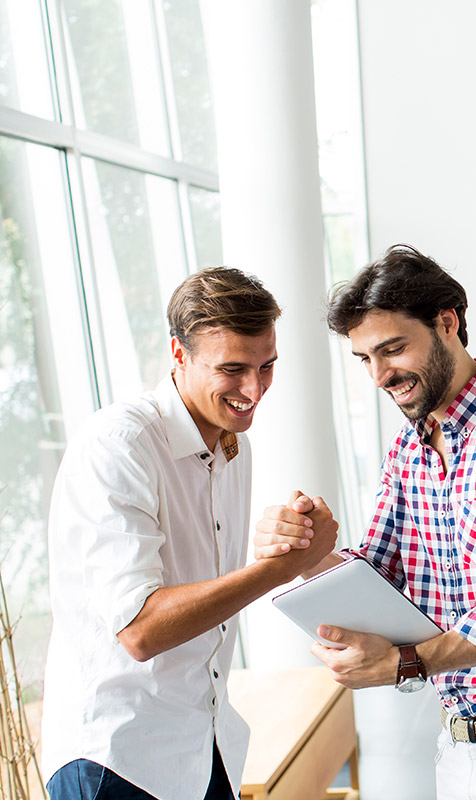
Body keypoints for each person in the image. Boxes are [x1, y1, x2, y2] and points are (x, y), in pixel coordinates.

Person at [254, 244, 476, 798]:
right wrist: (305, 554)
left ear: (447, 323)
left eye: (393, 349)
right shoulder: (409, 448)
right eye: (365, 359)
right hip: (458, 744)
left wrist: (409, 662)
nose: (380, 375)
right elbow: (377, 575)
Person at [41, 267, 339, 800]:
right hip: (117, 761)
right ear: (178, 353)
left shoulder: (234, 446)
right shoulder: (119, 445)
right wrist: (277, 569)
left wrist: (290, 543)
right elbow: (140, 629)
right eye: (232, 369)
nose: (254, 389)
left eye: (267, 366)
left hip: (203, 749)